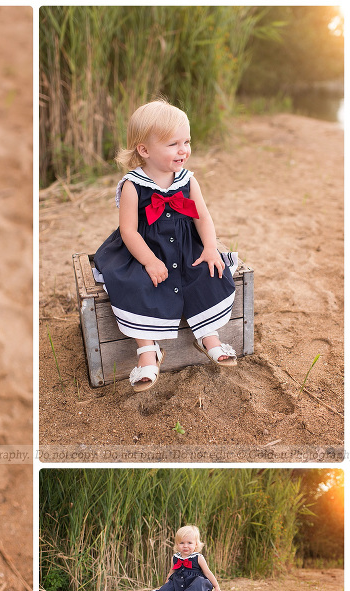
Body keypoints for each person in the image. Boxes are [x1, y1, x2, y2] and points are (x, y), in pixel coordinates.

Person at [92, 99, 238, 392]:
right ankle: (148, 350)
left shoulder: (187, 180)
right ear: (144, 150)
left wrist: (209, 247)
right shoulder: (133, 185)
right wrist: (148, 260)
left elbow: (203, 216)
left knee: (205, 272)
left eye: (187, 141)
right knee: (135, 285)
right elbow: (129, 231)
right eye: (173, 144)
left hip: (184, 246)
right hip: (144, 249)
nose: (184, 150)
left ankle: (208, 335)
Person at [148, 525, 222, 591]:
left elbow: (207, 572)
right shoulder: (175, 557)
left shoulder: (198, 557)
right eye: (182, 543)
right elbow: (171, 572)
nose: (185, 546)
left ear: (196, 544)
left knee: (200, 581)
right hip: (178, 583)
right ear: (177, 544)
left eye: (189, 543)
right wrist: (165, 585)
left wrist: (217, 586)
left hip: (193, 584)